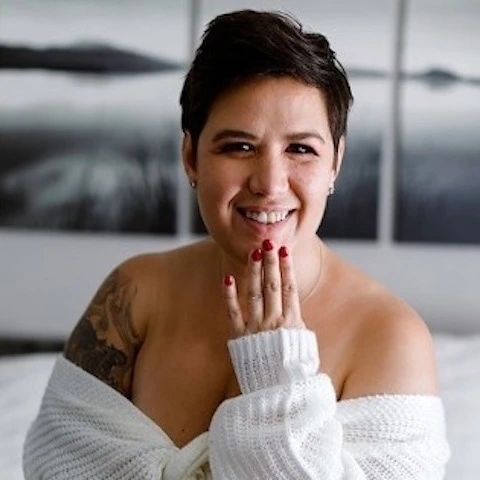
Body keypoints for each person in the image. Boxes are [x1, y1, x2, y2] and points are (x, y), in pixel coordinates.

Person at [23, 9, 450, 479]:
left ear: (335, 163)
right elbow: (51, 466)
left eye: (301, 149)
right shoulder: (136, 293)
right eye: (239, 147)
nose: (269, 183)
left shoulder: (390, 338)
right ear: (191, 157)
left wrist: (276, 383)